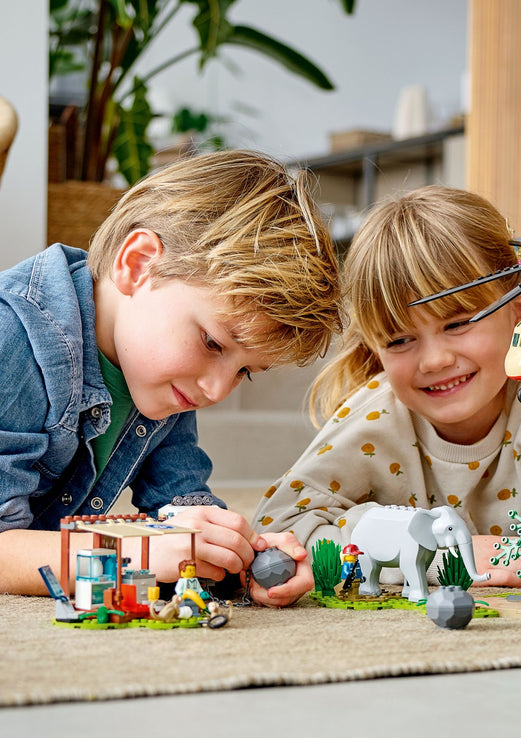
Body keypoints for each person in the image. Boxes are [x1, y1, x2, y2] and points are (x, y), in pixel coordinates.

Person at [251, 185, 521, 607]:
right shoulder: (373, 418)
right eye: (399, 340)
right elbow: (279, 533)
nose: (435, 360)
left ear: (519, 308)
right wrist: (444, 553)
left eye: (457, 324)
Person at [0, 149, 340, 600]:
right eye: (213, 343)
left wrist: (237, 556)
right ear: (138, 264)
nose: (216, 389)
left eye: (245, 371)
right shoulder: (15, 336)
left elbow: (180, 505)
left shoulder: (161, 380)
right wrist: (133, 554)